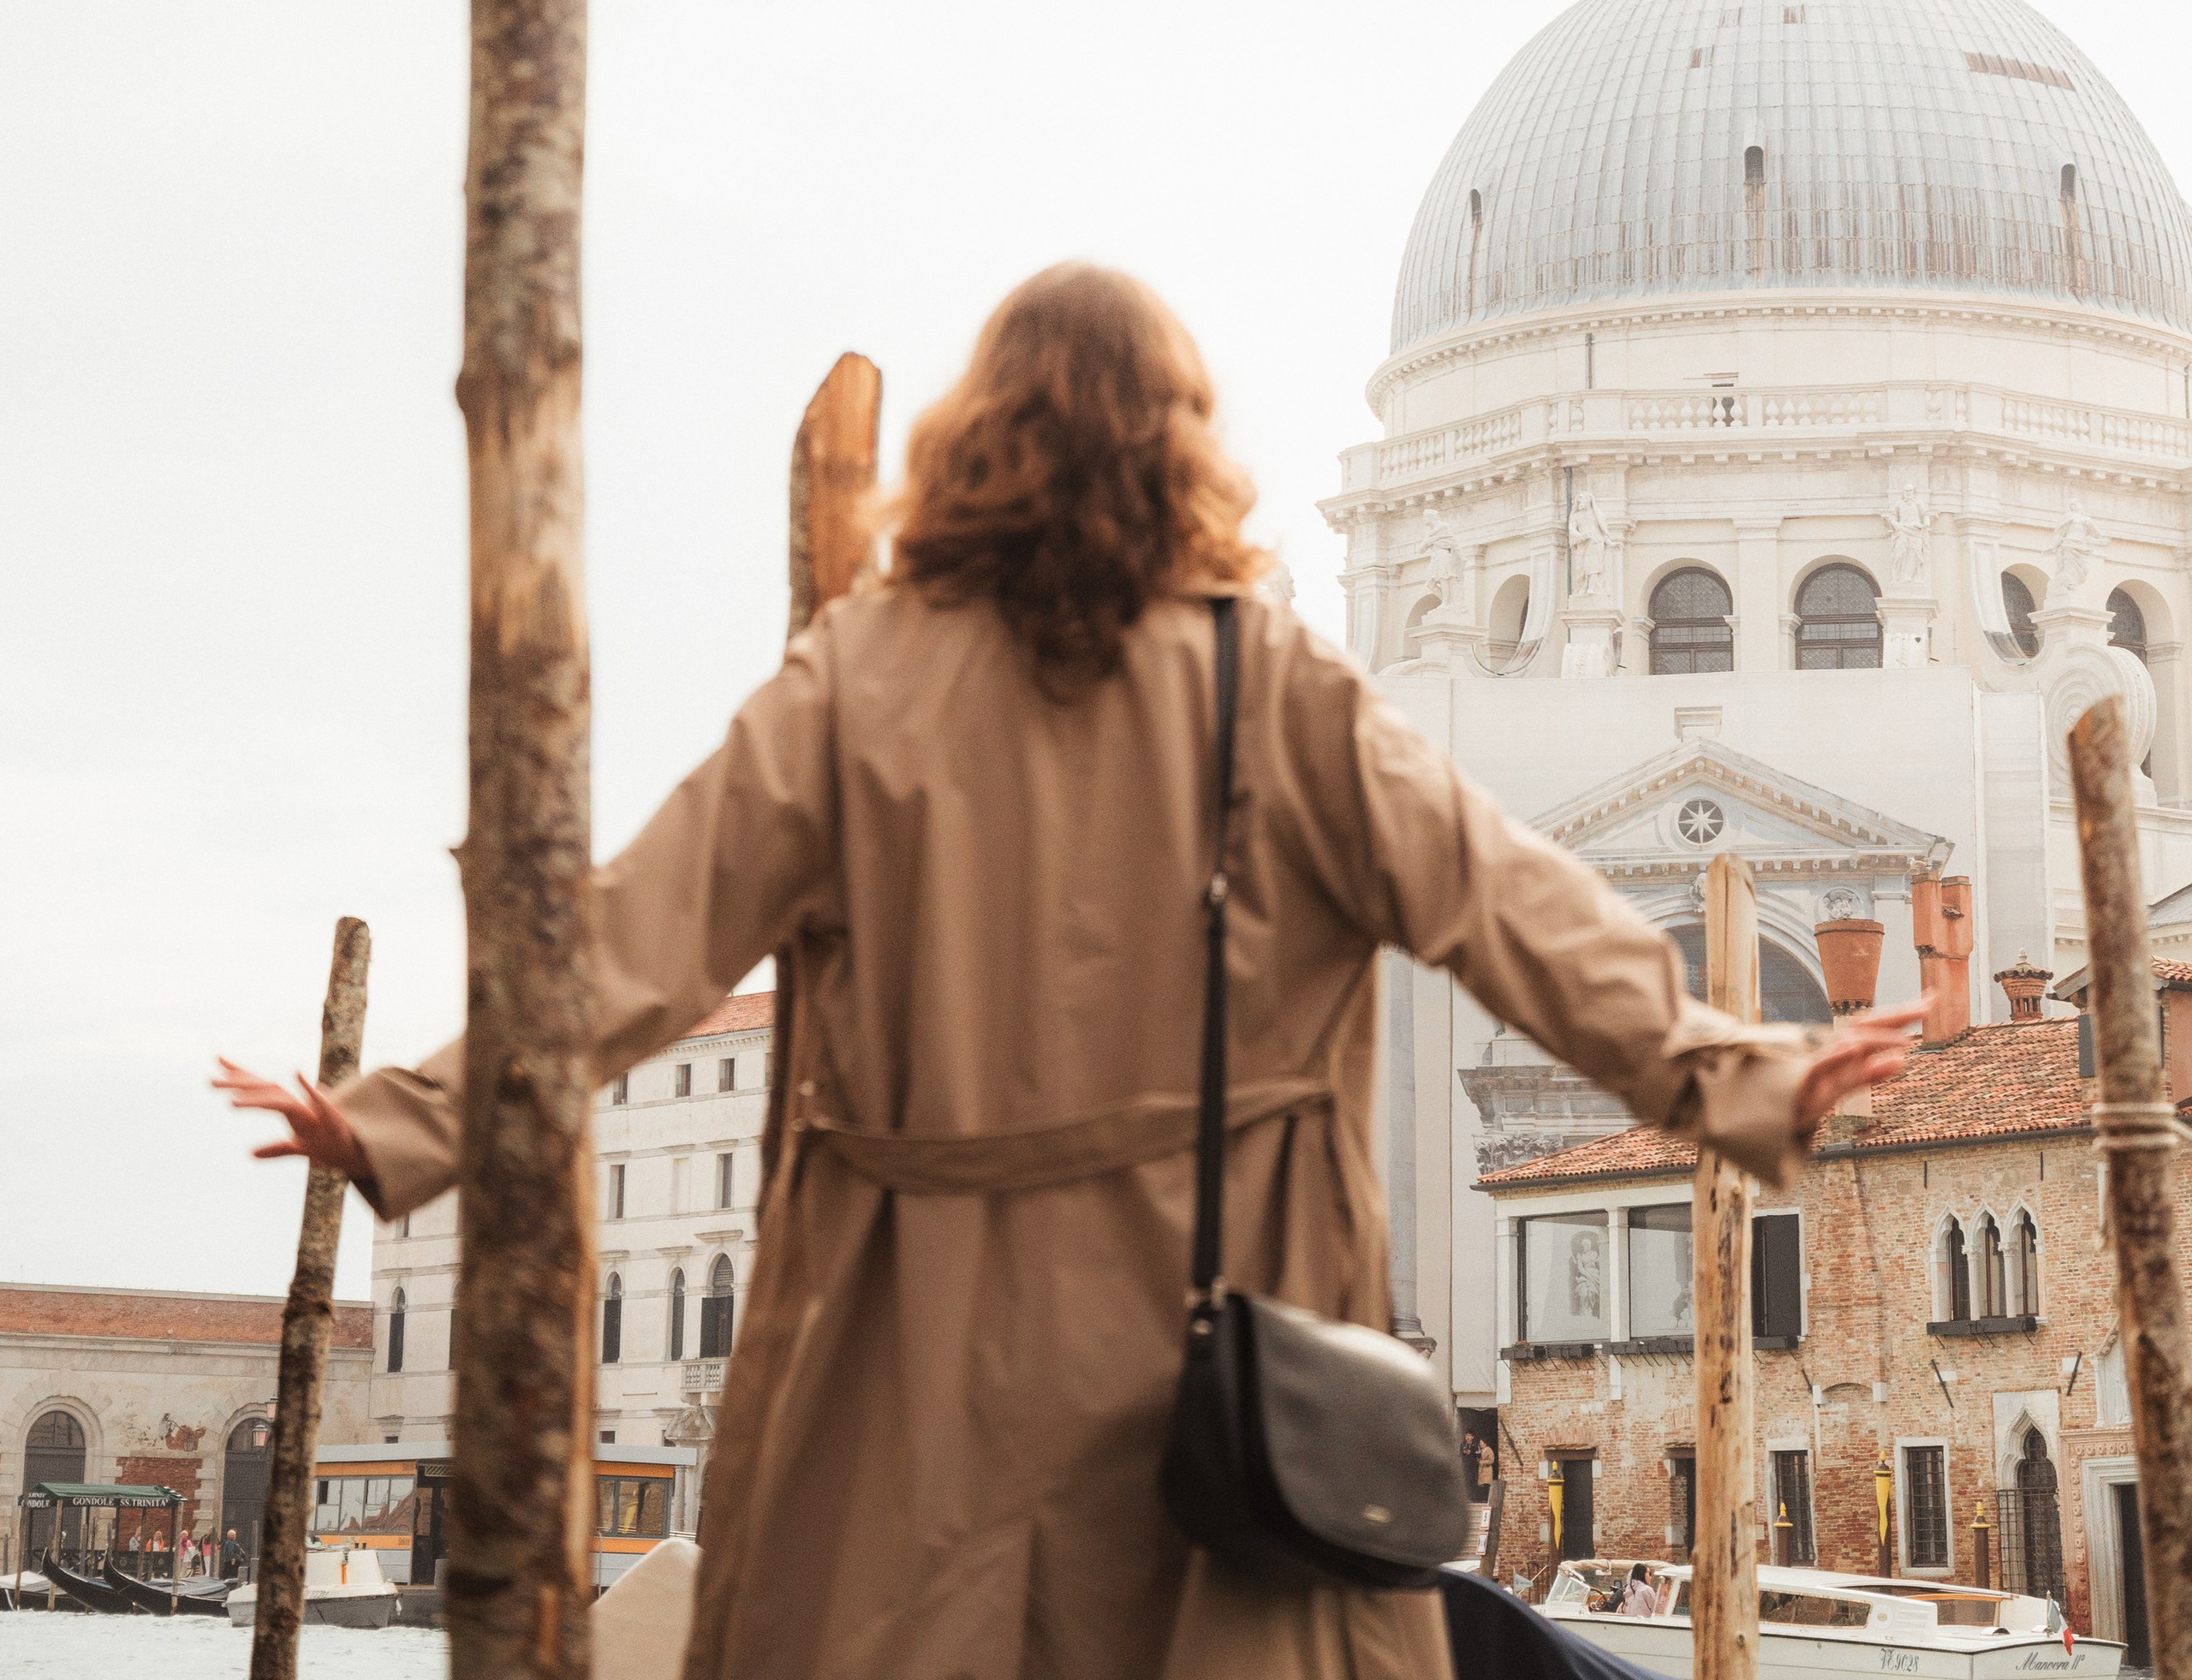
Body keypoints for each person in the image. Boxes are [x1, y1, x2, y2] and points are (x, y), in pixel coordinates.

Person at [217, 264, 1919, 1680]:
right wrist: (1737, 1069)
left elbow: (626, 941)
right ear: (1186, 449)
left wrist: (393, 1115)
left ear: (973, 442)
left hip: (909, 1350)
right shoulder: (1280, 690)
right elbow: (1510, 906)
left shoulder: (854, 682)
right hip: (1224, 1351)